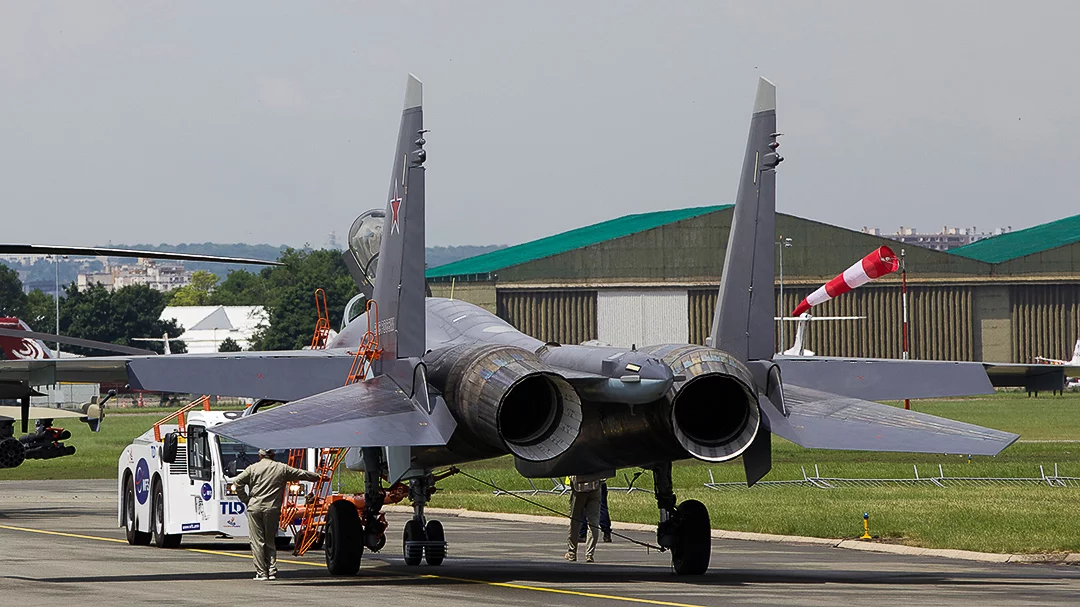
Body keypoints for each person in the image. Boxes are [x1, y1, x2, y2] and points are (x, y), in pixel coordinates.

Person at [232, 448, 323, 580]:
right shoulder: (282, 468)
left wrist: (246, 499)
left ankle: (261, 573)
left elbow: (237, 482)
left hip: (255, 508)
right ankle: (272, 571)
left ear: (260, 455)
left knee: (257, 541)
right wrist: (318, 477)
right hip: (272, 509)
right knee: (270, 540)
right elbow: (301, 474)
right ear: (273, 455)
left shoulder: (252, 468)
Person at [565, 475, 602, 563]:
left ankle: (572, 552)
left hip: (579, 486)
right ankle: (589, 554)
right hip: (595, 486)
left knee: (575, 521)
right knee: (593, 522)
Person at [579, 479, 611, 543]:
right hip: (600, 481)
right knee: (602, 507)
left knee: (583, 506)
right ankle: (606, 533)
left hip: (585, 483)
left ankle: (582, 534)